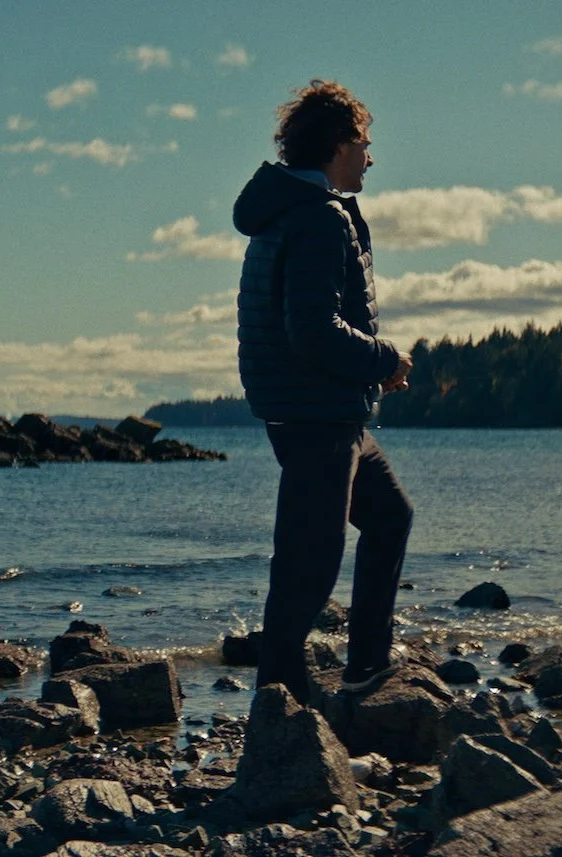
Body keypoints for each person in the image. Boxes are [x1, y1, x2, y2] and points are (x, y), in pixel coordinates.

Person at [231, 80, 414, 697]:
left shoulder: (291, 210)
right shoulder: (315, 218)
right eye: (364, 143)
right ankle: (278, 700)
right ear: (338, 145)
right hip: (316, 415)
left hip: (322, 413)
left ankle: (365, 664)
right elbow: (312, 330)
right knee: (309, 565)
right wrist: (385, 359)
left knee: (388, 517)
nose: (369, 157)